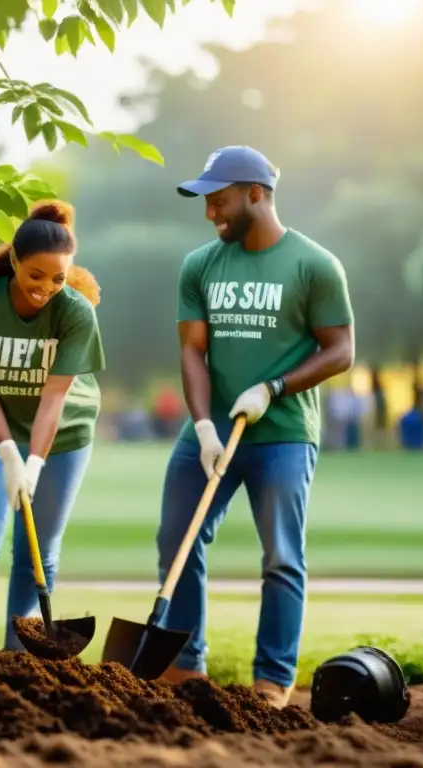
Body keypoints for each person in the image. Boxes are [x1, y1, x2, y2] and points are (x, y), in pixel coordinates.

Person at [159, 146, 354, 708]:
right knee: (177, 540)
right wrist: (201, 426)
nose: (209, 213)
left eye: (218, 201)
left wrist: (274, 387)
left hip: (283, 434)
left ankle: (271, 681)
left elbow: (340, 350)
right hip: (213, 434)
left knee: (281, 558)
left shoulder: (314, 265)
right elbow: (193, 352)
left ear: (255, 194)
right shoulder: (199, 265)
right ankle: (183, 668)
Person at [0, 200, 106, 650]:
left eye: (58, 278)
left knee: (39, 550)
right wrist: (6, 452)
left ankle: (19, 661)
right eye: (36, 275)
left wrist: (33, 460)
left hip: (61, 432)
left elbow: (54, 398)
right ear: (14, 260)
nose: (46, 288)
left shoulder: (75, 312)